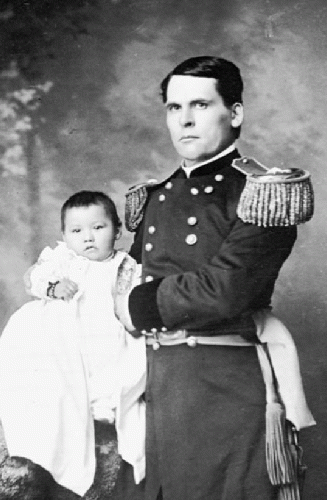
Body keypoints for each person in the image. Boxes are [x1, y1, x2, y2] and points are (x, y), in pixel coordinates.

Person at [115, 56, 315, 500]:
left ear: (235, 113)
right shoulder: (155, 195)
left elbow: (225, 291)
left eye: (201, 105)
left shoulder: (263, 192)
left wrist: (133, 306)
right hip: (159, 389)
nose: (184, 119)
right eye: (173, 108)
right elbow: (126, 275)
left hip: (223, 392)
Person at [0, 191, 146, 499]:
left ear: (117, 230)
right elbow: (35, 279)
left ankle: (103, 402)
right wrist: (54, 286)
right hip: (66, 338)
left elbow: (136, 301)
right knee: (37, 343)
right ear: (65, 235)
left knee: (130, 366)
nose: (88, 238)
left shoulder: (127, 266)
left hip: (108, 337)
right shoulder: (62, 260)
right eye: (77, 231)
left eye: (98, 228)